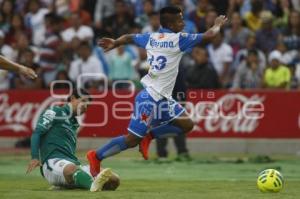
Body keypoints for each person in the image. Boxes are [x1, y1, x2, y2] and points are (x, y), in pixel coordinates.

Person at [86, 6, 227, 177]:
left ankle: (149, 136)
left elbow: (130, 37)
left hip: (164, 98)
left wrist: (116, 42)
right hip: (150, 96)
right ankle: (96, 156)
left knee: (187, 125)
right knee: (131, 140)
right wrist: (218, 24)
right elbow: (210, 35)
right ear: (171, 23)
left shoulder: (151, 37)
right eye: (180, 20)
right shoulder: (178, 39)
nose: (183, 23)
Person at [26, 89, 120, 192]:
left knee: (113, 179)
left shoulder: (75, 124)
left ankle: (70, 185)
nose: (85, 107)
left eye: (88, 106)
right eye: (83, 101)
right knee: (71, 169)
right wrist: (34, 157)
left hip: (73, 165)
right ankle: (92, 186)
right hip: (52, 163)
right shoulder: (54, 111)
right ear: (72, 98)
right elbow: (37, 133)